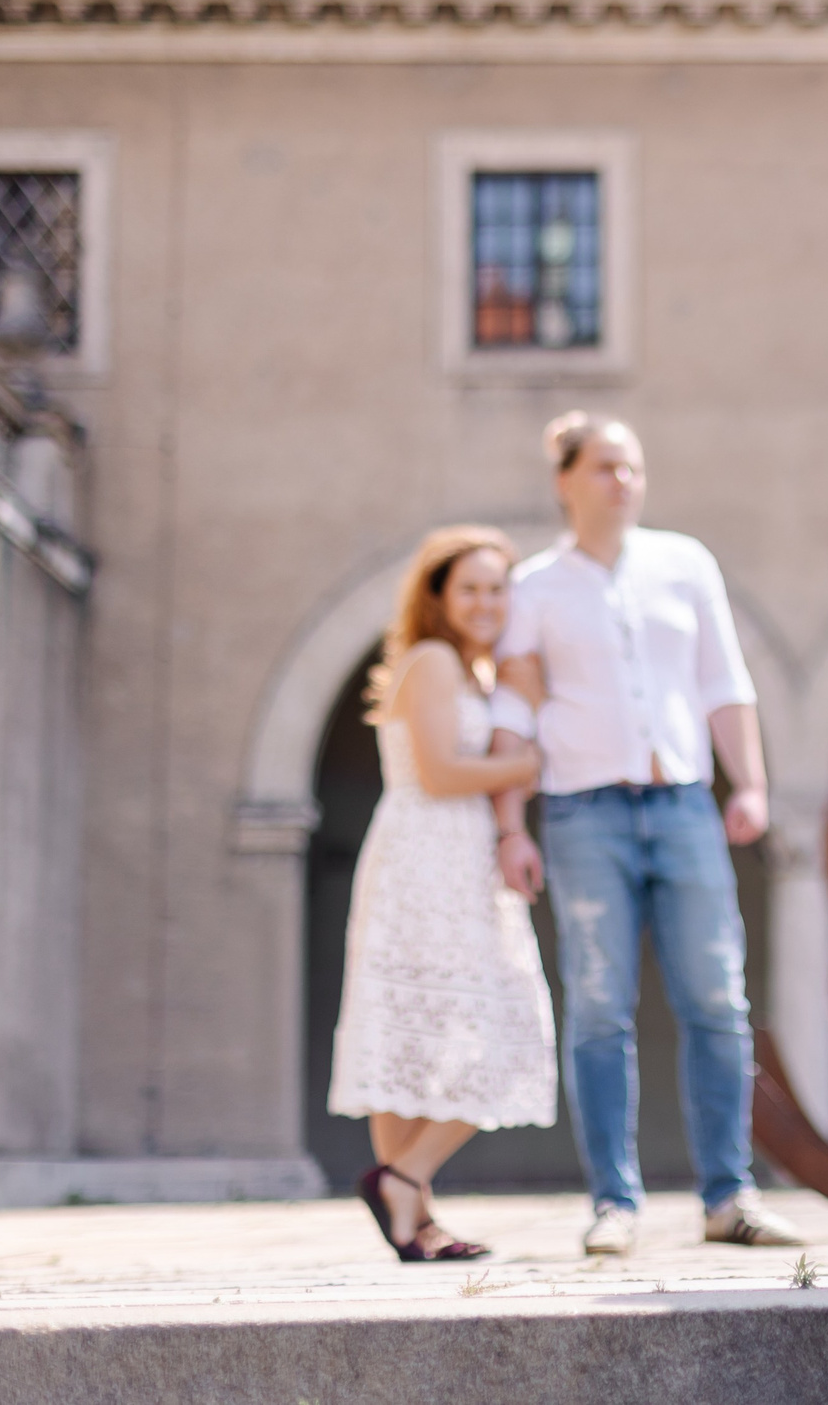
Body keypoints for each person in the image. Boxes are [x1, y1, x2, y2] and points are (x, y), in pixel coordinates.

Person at [492, 412, 803, 1254]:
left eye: (632, 467)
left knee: (717, 1000)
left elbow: (722, 680)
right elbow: (515, 710)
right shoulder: (534, 587)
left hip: (684, 805)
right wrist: (510, 828)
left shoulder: (685, 563)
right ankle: (614, 1203)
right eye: (603, 467)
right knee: (599, 1007)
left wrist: (753, 784)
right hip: (583, 812)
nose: (622, 481)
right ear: (565, 480)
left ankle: (728, 1196)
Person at [328, 526, 557, 1262]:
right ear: (438, 597)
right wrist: (528, 760)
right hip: (424, 861)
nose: (486, 602)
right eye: (470, 588)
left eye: (498, 588)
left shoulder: (475, 673)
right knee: (474, 1028)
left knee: (428, 1033)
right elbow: (439, 774)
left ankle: (409, 1211)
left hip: (459, 860)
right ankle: (405, 1180)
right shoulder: (429, 661)